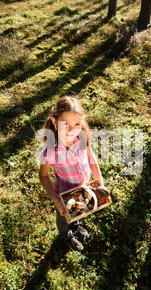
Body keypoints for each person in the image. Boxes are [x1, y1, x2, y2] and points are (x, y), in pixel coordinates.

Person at [39, 96, 104, 251]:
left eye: (76, 124)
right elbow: (43, 176)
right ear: (54, 122)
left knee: (79, 210)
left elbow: (89, 155)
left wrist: (98, 178)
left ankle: (76, 225)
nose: (72, 129)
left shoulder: (82, 135)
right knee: (64, 217)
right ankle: (66, 234)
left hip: (84, 187)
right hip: (64, 194)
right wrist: (56, 200)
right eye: (65, 124)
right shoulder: (50, 152)